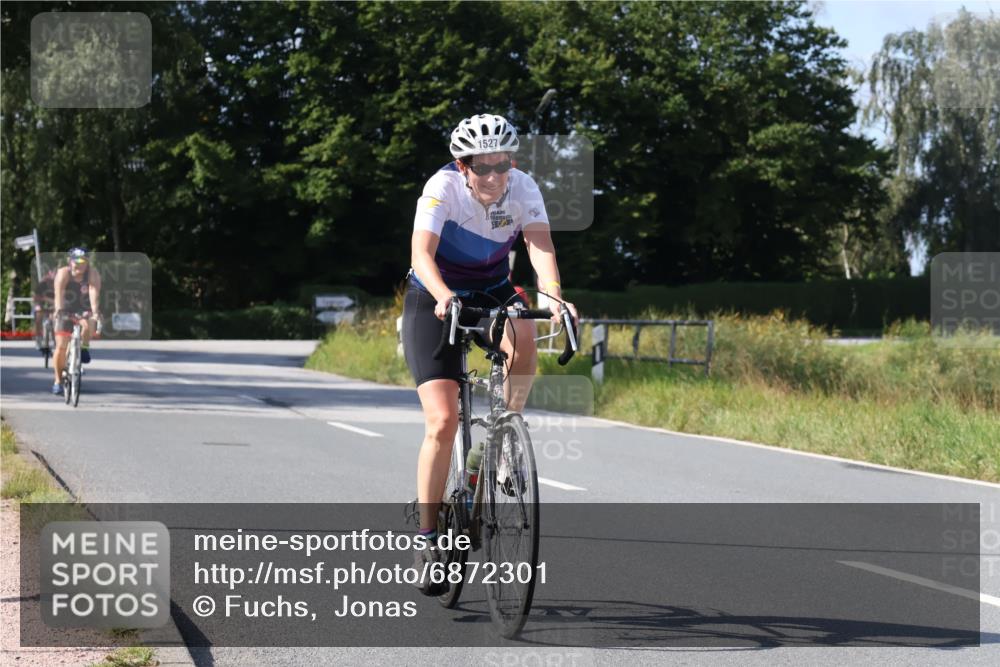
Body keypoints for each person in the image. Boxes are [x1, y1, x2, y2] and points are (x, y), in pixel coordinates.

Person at [402, 113, 577, 594]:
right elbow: (421, 254)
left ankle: (497, 445)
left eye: (503, 165)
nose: (495, 177)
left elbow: (540, 249)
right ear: (463, 167)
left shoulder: (523, 187)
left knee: (523, 337)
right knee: (442, 421)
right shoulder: (440, 189)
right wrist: (440, 293)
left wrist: (554, 296)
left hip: (494, 289)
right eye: (484, 167)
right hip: (433, 294)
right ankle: (427, 537)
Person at [51, 248, 102, 395]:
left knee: (88, 324)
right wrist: (59, 310)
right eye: (76, 262)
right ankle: (58, 380)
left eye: (83, 262)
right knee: (61, 347)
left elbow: (93, 291)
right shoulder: (63, 273)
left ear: (87, 263)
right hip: (65, 307)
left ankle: (84, 347)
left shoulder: (92, 273)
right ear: (70, 261)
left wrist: (95, 311)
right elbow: (58, 293)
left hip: (83, 307)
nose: (79, 265)